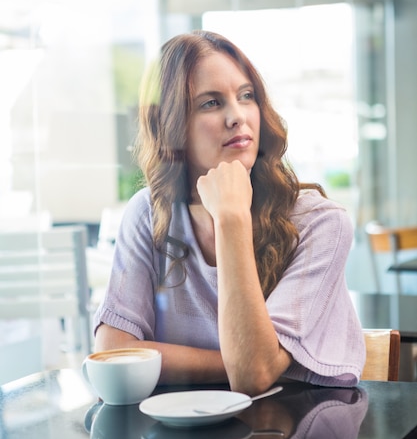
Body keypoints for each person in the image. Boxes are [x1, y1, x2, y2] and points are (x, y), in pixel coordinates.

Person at [94, 29, 365, 395]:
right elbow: (113, 353)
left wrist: (231, 217)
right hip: (184, 436)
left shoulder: (320, 223)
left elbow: (251, 375)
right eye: (211, 103)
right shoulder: (148, 214)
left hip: (298, 436)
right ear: (172, 126)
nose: (237, 116)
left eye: (246, 96)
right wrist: (239, 359)